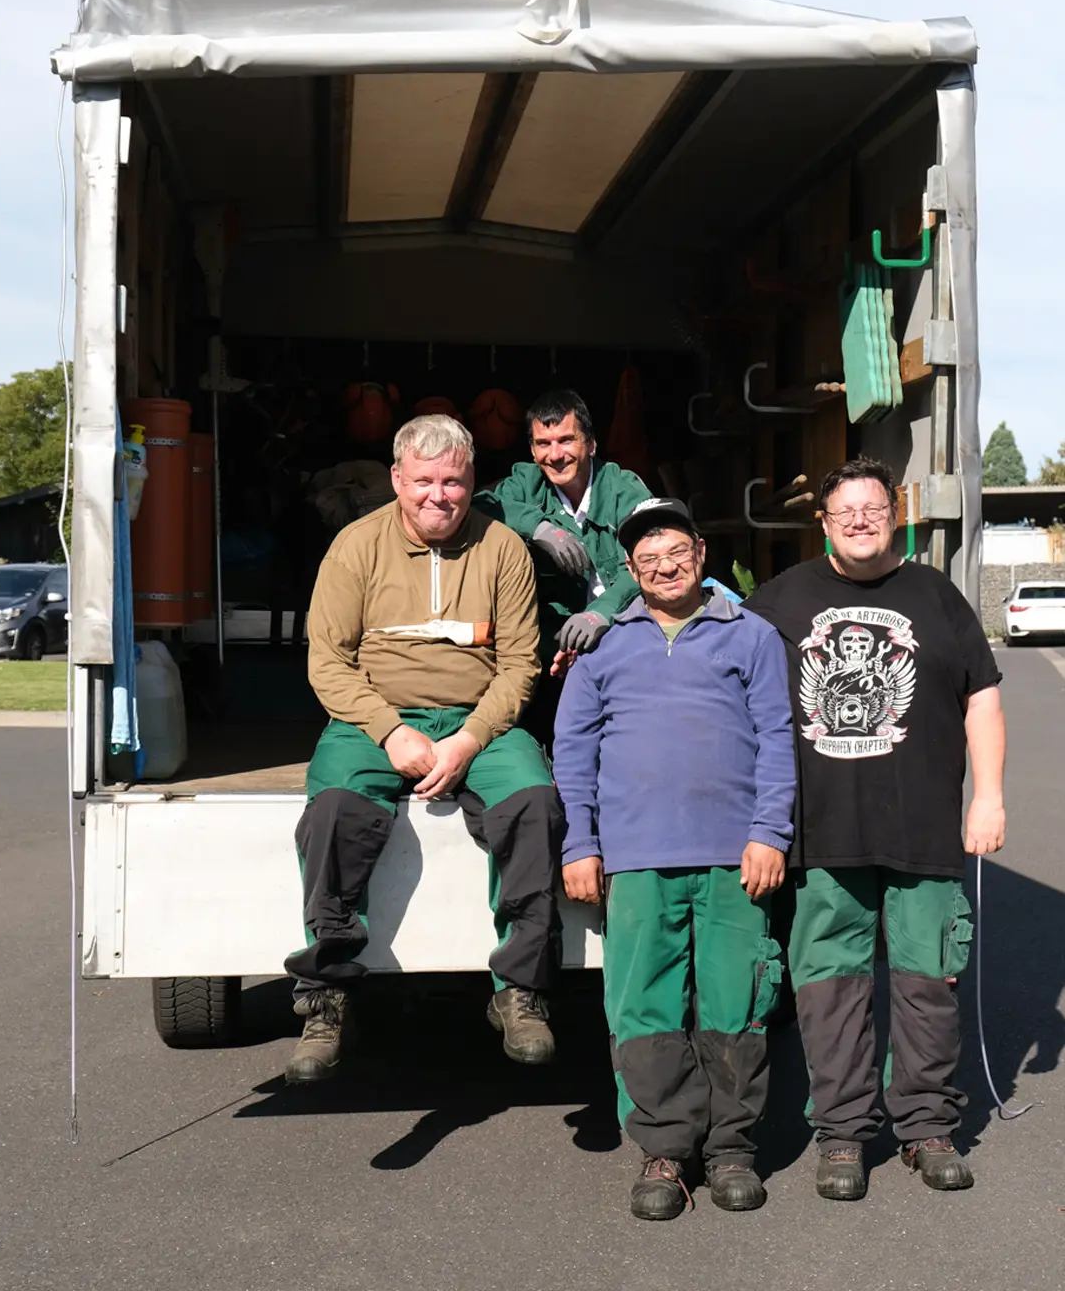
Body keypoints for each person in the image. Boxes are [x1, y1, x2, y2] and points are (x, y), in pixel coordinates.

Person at [745, 456, 1006, 1200]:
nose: (860, 520)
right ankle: (842, 1134)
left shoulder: (937, 595)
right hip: (822, 835)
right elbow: (728, 688)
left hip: (924, 833)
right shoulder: (779, 602)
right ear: (822, 523)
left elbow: (981, 699)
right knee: (831, 990)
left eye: (874, 509)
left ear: (895, 516)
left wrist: (987, 798)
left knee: (927, 985)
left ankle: (926, 1127)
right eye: (845, 511)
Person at [283, 414, 564, 1083]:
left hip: (477, 717)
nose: (440, 496)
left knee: (534, 803)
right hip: (373, 719)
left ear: (472, 482)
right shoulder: (355, 546)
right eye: (425, 483)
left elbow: (521, 663)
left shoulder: (502, 548)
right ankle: (328, 997)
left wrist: (468, 740)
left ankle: (521, 990)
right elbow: (328, 661)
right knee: (335, 813)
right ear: (397, 481)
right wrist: (390, 730)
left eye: (455, 482)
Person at [555, 497, 796, 1221]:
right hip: (636, 860)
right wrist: (581, 843)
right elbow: (573, 752)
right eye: (647, 559)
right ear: (631, 570)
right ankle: (666, 1151)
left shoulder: (750, 636)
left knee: (737, 1002)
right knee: (643, 1009)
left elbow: (779, 738)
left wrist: (770, 832)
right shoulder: (605, 649)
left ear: (700, 553)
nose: (664, 567)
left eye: (676, 553)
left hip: (734, 857)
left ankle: (731, 1150)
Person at [476, 390, 652, 729]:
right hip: (548, 649)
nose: (555, 455)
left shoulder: (622, 488)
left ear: (591, 444)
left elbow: (648, 563)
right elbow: (478, 506)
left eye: (566, 440)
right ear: (532, 450)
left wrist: (601, 615)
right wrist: (539, 528)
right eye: (544, 443)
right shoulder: (525, 483)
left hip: (619, 638)